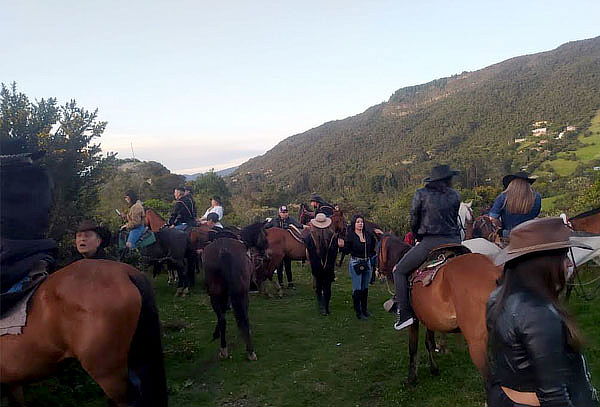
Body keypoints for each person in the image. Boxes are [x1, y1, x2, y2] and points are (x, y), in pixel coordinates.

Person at [486, 217, 598, 407]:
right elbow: (554, 397)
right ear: (544, 264)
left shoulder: (498, 296)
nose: (569, 264)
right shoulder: (538, 313)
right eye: (564, 257)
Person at [391, 165, 462, 331]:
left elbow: (414, 219)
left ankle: (405, 315)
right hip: (455, 242)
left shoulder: (421, 194)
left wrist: (417, 236)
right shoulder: (455, 195)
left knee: (399, 271)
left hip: (431, 241)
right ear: (448, 179)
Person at [338, 215, 377, 319]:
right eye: (358, 222)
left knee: (365, 288)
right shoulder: (351, 236)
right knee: (357, 288)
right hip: (356, 263)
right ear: (354, 224)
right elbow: (346, 250)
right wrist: (342, 245)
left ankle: (364, 309)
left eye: (362, 222)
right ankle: (358, 312)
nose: (360, 224)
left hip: (367, 263)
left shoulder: (368, 235)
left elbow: (372, 247)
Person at [488, 171, 541, 239]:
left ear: (511, 183)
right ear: (527, 184)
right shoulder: (536, 197)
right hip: (530, 233)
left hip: (508, 234)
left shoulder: (503, 197)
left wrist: (500, 225)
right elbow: (535, 215)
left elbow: (492, 218)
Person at [304, 213, 337, 316]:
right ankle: (326, 307)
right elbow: (335, 252)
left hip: (316, 265)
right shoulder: (333, 236)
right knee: (327, 286)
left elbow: (308, 252)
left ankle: (321, 304)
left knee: (318, 285)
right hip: (329, 266)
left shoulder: (309, 236)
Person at [264, 205, 304, 289]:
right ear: (279, 213)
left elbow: (299, 225)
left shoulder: (291, 219)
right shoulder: (274, 220)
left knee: (288, 266)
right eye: (283, 212)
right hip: (278, 247)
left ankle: (290, 283)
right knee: (279, 266)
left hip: (288, 246)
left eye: (286, 212)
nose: (285, 214)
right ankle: (281, 283)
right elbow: (266, 227)